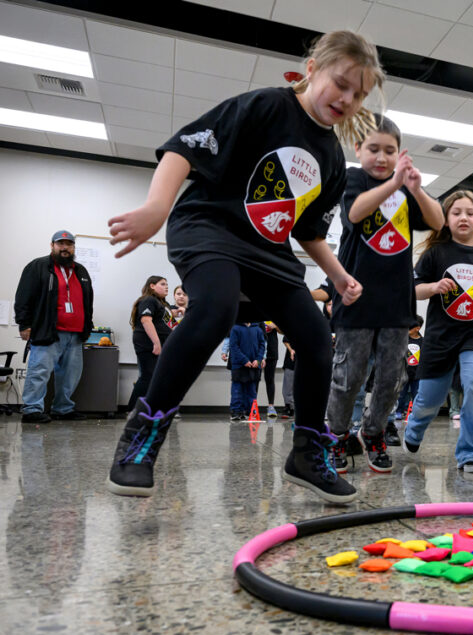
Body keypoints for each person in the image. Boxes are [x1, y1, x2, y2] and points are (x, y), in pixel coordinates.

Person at [104, 30, 382, 504]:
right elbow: (184, 149)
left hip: (268, 253)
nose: (348, 99)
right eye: (341, 83)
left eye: (359, 94)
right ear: (312, 68)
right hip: (210, 226)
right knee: (213, 308)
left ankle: (306, 453)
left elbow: (308, 230)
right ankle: (143, 435)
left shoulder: (332, 158)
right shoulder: (265, 106)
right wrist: (155, 208)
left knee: (317, 340)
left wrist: (336, 275)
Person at [326, 114, 443, 473]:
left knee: (393, 378)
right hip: (356, 299)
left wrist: (416, 188)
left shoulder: (406, 189)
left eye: (389, 151)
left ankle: (373, 432)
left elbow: (438, 222)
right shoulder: (353, 179)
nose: (381, 157)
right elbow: (356, 213)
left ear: (400, 153)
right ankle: (337, 435)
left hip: (396, 302)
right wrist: (394, 184)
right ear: (357, 149)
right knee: (349, 376)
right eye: (373, 149)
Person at [401, 191, 473, 473]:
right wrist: (433, 287)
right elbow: (413, 289)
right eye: (456, 213)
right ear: (446, 219)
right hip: (441, 337)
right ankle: (414, 429)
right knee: (429, 400)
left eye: (469, 213)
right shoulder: (436, 253)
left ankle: (470, 453)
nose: (463, 217)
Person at [14, 230, 95, 423]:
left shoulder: (81, 271)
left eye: (69, 244)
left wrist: (88, 326)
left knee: (70, 375)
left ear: (74, 247)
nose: (65, 247)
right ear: (52, 246)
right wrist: (24, 324)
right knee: (39, 371)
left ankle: (63, 409)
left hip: (75, 334)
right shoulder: (38, 266)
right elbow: (24, 297)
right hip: (48, 331)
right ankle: (32, 409)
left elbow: (88, 301)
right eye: (61, 244)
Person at [126, 276, 174, 411]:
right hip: (148, 344)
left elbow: (171, 324)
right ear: (152, 286)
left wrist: (178, 312)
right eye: (162, 284)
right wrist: (157, 343)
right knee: (147, 376)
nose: (166, 287)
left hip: (162, 346)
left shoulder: (164, 304)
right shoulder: (149, 300)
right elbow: (146, 321)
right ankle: (133, 410)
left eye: (167, 284)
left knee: (156, 378)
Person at [228, 320, 266, 420]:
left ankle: (250, 411)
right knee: (237, 390)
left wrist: (258, 359)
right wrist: (244, 360)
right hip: (239, 365)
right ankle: (236, 411)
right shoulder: (235, 328)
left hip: (253, 365)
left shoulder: (257, 329)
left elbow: (262, 345)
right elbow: (234, 346)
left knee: (251, 390)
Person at [395, 315, 423, 422]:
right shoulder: (403, 340)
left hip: (417, 373)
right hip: (404, 372)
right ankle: (399, 410)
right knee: (401, 394)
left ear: (417, 328)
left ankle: (416, 412)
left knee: (417, 393)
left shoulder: (423, 341)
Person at [262, 321, 280, 418]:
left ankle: (271, 406)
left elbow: (282, 331)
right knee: (254, 379)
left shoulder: (274, 314)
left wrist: (275, 326)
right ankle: (252, 407)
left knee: (270, 379)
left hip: (271, 350)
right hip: (257, 349)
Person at [280, 334, 295, 419]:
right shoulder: (292, 325)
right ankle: (289, 407)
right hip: (291, 361)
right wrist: (291, 350)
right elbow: (285, 340)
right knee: (288, 387)